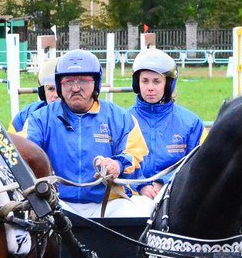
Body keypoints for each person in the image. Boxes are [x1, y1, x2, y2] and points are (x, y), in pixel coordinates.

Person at [20, 49, 152, 217]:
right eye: (68, 82)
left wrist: (117, 165)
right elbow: (22, 155)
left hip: (108, 204)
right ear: (60, 85)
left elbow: (136, 154)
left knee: (145, 207)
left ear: (95, 83)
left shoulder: (121, 118)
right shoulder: (39, 119)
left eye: (83, 81)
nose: (75, 88)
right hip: (57, 203)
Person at [127, 49, 205, 200]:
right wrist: (141, 186)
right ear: (137, 83)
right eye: (145, 81)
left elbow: (195, 164)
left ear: (168, 84)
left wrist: (165, 181)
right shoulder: (123, 120)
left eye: (157, 81)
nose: (150, 87)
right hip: (132, 197)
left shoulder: (191, 122)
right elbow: (119, 161)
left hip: (176, 195)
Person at [9, 57, 58, 132]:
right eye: (51, 89)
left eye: (60, 89)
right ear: (42, 92)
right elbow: (9, 140)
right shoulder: (27, 113)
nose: (56, 95)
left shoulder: (80, 117)